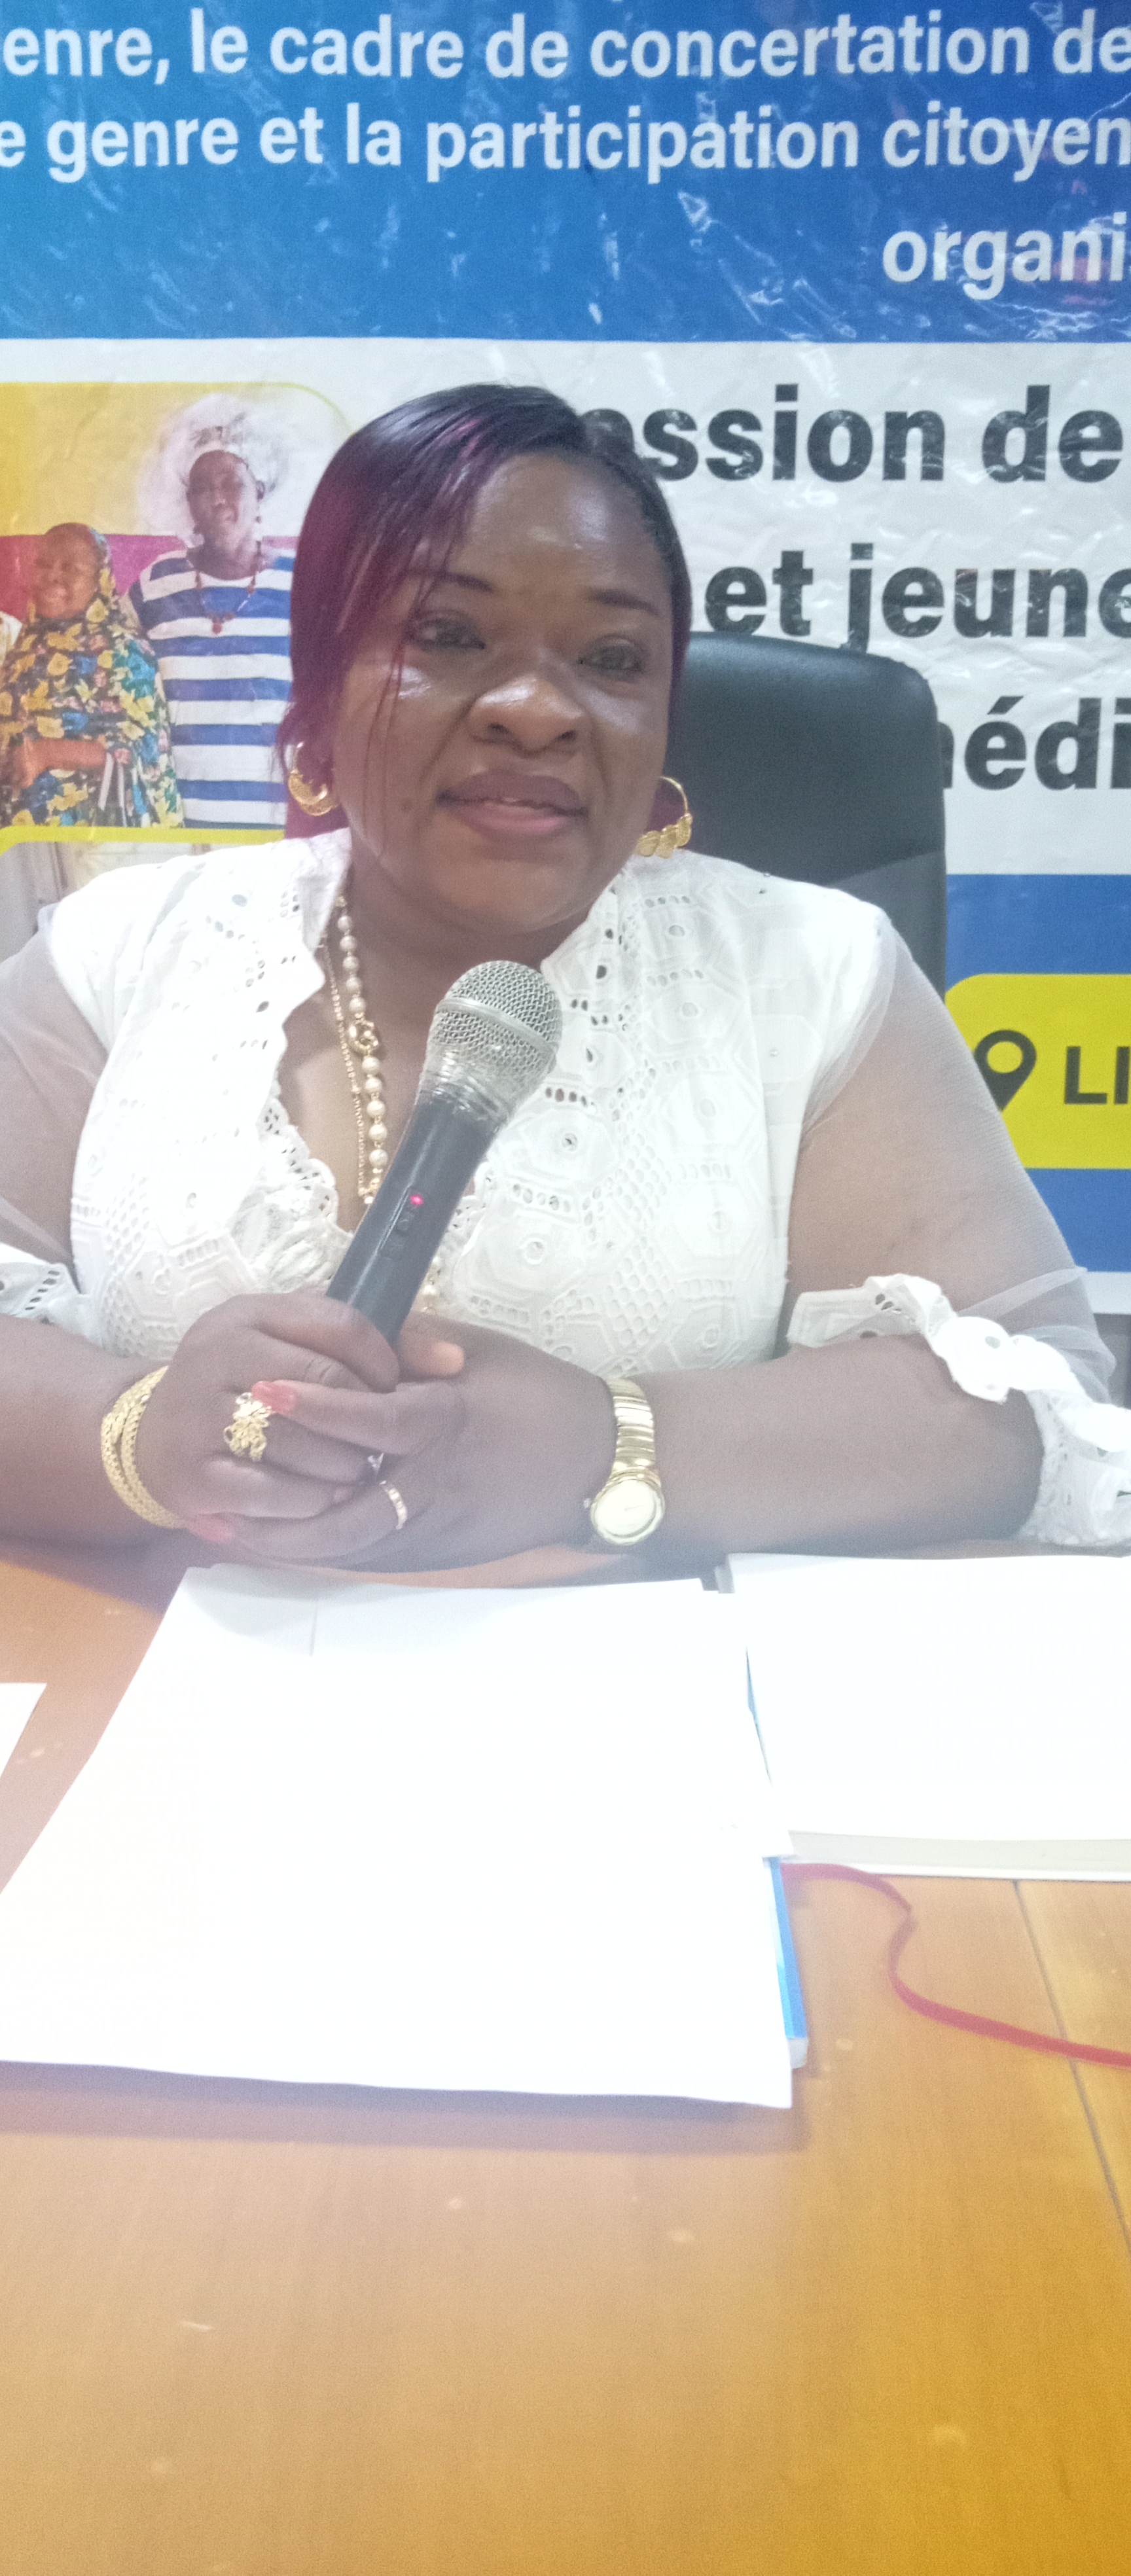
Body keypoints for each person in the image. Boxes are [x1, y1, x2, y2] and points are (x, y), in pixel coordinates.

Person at [0, 384, 1127, 1569]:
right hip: (147, 1671)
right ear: (322, 682)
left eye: (611, 658)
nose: (539, 711)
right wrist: (133, 1435)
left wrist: (611, 1447)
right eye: (448, 636)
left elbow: (1038, 1406)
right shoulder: (120, 951)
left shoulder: (811, 972)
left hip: (654, 1679)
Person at [130, 399, 295, 832]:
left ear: (259, 492)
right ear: (189, 502)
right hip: (181, 828)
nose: (218, 498)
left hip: (281, 830)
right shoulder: (155, 585)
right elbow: (115, 676)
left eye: (232, 483)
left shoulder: (304, 584)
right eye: (203, 487)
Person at [0, 524, 182, 832]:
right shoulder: (24, 647)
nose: (53, 576)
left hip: (92, 840)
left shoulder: (125, 652)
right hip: (22, 836)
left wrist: (47, 753)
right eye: (43, 564)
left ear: (99, 581)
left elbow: (145, 753)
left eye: (70, 568)